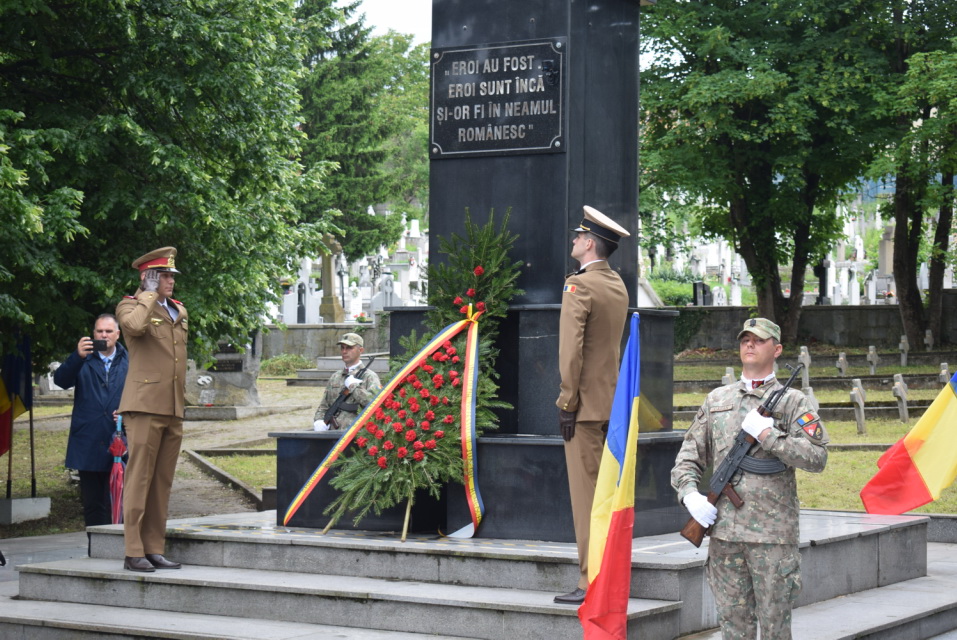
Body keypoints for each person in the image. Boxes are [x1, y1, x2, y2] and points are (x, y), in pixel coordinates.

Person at [671, 318, 829, 639]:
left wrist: (769, 436)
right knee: (733, 628)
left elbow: (817, 457)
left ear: (777, 349)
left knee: (775, 629)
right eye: (745, 339)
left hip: (773, 537)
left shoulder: (792, 401)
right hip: (725, 536)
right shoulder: (717, 399)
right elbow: (687, 458)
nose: (750, 344)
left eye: (758, 340)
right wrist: (690, 495)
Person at [553, 205, 630, 605]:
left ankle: (589, 581)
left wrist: (567, 401)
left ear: (589, 244)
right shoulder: (616, 284)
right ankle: (607, 572)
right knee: (606, 496)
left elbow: (572, 352)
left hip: (583, 409)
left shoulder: (578, 286)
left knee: (586, 501)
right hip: (611, 405)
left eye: (578, 237)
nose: (573, 241)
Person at [115, 247, 188, 573]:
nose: (171, 281)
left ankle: (154, 548)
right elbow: (133, 328)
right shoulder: (131, 305)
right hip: (144, 405)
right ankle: (133, 551)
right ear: (149, 277)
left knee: (161, 482)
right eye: (165, 276)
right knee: (139, 479)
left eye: (172, 276)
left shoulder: (178, 310)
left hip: (172, 406)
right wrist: (147, 293)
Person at [53, 314, 128, 553]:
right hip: (89, 440)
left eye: (108, 331)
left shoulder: (131, 361)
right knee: (93, 502)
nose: (103, 335)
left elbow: (144, 395)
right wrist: (77, 357)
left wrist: (128, 413)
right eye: (99, 331)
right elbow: (61, 381)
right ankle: (97, 550)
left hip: (121, 439)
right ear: (93, 333)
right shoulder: (83, 358)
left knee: (120, 499)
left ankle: (122, 548)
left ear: (118, 334)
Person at [313, 333, 381, 431]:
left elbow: (374, 403)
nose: (344, 351)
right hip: (332, 434)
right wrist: (319, 421)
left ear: (360, 350)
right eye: (342, 348)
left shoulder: (369, 376)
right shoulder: (335, 377)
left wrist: (354, 386)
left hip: (356, 434)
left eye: (349, 348)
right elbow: (324, 405)